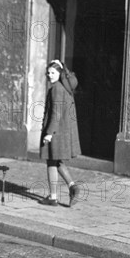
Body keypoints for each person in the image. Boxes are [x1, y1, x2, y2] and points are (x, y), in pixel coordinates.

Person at [39, 59, 82, 207]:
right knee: (57, 161)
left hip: (56, 131)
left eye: (53, 72)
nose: (50, 75)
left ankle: (53, 197)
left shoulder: (56, 89)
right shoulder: (65, 87)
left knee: (51, 161)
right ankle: (72, 187)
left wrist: (49, 133)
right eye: (48, 73)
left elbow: (56, 113)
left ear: (60, 73)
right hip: (64, 131)